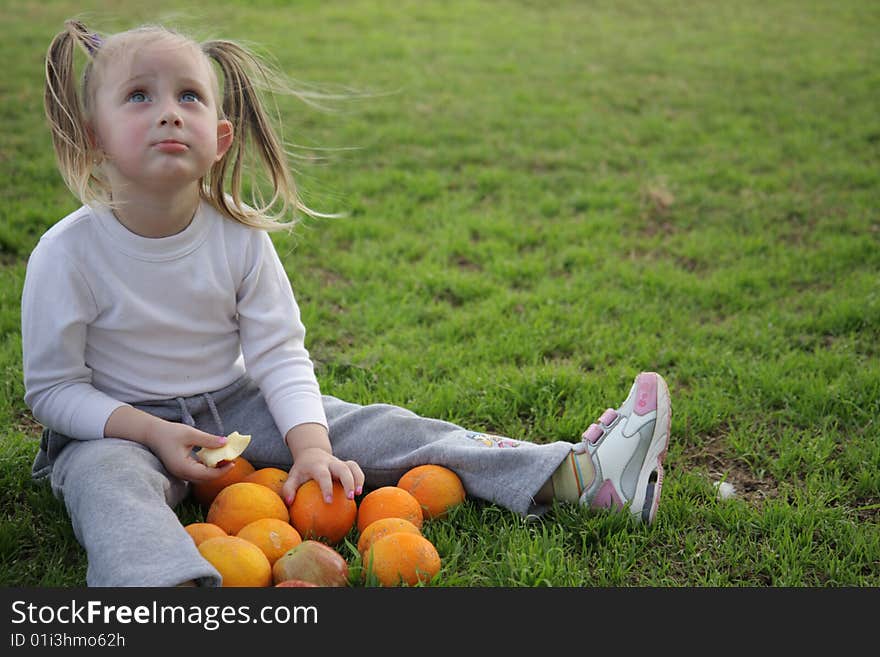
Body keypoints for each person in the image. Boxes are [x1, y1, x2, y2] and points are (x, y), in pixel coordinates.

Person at [23, 20, 672, 587]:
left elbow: (278, 353)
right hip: (117, 427)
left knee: (385, 427)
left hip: (234, 404)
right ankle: (164, 592)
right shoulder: (66, 253)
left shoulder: (241, 236)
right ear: (93, 138)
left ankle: (578, 475)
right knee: (107, 484)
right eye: (139, 96)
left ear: (220, 138)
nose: (168, 111)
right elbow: (53, 390)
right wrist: (151, 431)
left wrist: (309, 447)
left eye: (188, 95)